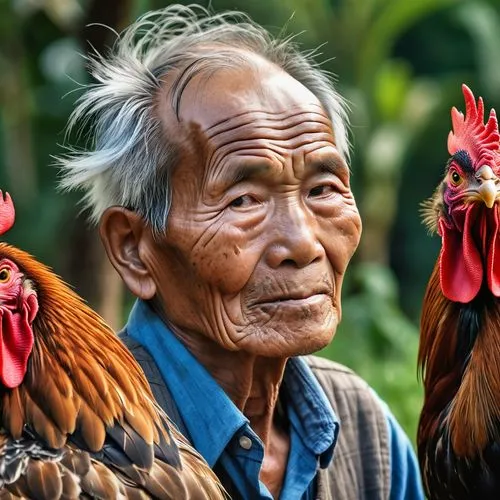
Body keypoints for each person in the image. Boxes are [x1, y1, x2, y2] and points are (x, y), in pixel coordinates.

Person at [58, 5, 424, 499]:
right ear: (134, 249)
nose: (303, 242)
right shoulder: (75, 457)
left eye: (322, 189)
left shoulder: (364, 431)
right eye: (244, 201)